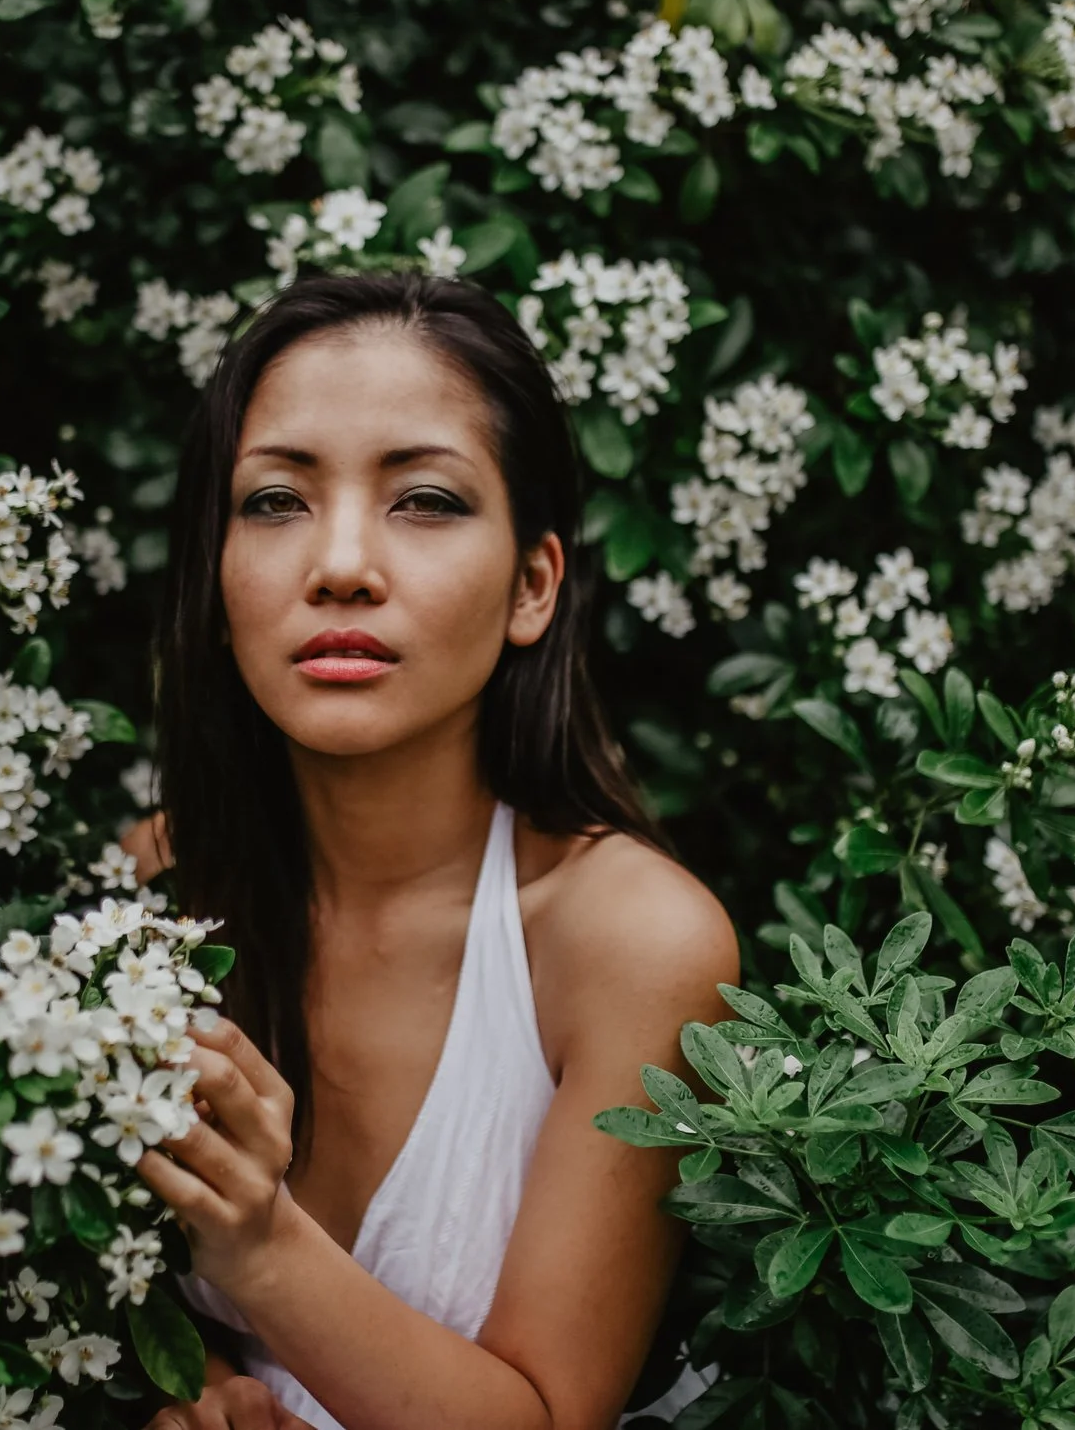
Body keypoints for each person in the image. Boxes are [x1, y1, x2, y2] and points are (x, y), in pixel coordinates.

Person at [121, 271, 739, 1430]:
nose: (343, 562)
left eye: (425, 500)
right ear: (213, 582)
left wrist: (258, 1247)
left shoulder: (630, 943)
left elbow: (548, 1416)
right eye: (273, 500)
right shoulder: (152, 890)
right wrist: (177, 1378)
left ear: (531, 584)